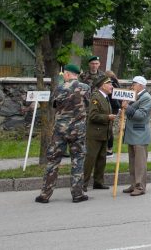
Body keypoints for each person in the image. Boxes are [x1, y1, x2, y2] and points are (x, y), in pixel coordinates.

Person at [35, 64, 91, 203]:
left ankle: (45, 194)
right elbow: (87, 104)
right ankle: (77, 194)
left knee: (53, 160)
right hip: (78, 130)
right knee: (78, 160)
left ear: (67, 74)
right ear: (76, 74)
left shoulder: (59, 88)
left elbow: (54, 105)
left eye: (64, 74)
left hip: (60, 129)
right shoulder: (85, 88)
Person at [122, 75, 151, 196]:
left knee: (140, 163)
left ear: (140, 85)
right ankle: (134, 184)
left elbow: (141, 115)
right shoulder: (136, 96)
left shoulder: (146, 98)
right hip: (133, 134)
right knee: (133, 161)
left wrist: (127, 107)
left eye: (134, 84)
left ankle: (140, 187)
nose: (132, 86)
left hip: (140, 134)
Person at [83, 74, 115, 191]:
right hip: (95, 134)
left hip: (104, 134)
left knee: (102, 159)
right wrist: (108, 117)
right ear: (102, 85)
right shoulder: (96, 97)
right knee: (90, 159)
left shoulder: (105, 97)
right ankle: (83, 183)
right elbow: (93, 116)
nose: (111, 86)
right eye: (109, 84)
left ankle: (98, 182)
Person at [104, 70, 120, 156]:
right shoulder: (115, 83)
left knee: (109, 128)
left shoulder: (112, 84)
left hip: (112, 107)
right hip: (114, 107)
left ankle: (109, 149)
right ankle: (108, 148)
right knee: (109, 127)